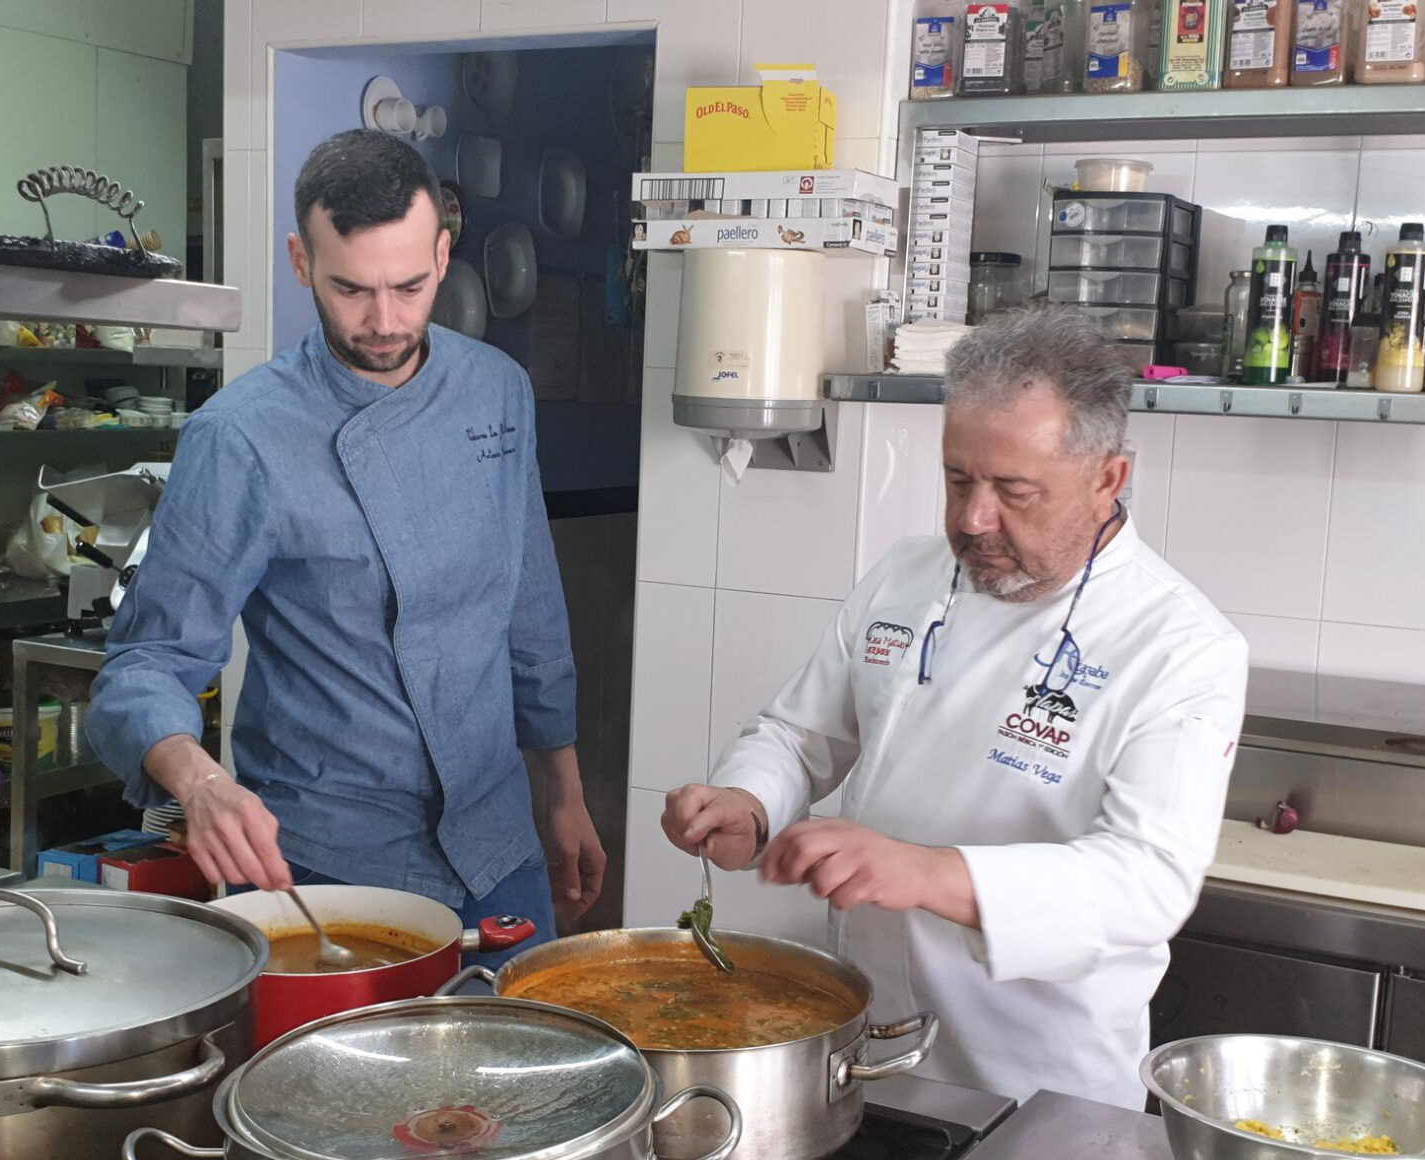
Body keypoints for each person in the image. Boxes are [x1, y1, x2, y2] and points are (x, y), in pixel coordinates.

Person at [660, 309, 1248, 1105]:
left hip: (1033, 1085)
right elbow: (799, 735)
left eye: (1014, 490)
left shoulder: (1180, 646)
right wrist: (749, 801)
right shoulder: (907, 575)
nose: (974, 518)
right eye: (958, 477)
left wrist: (926, 870)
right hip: (860, 1047)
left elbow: (1146, 883)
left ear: (1109, 477)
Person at [90, 129, 604, 948]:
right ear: (301, 261)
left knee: (522, 1072)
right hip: (330, 864)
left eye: (407, 285)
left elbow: (530, 605)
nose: (384, 320)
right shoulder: (242, 436)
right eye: (351, 290)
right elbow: (144, 662)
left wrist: (563, 792)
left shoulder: (497, 390)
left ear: (442, 254)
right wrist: (199, 780)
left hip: (496, 844)